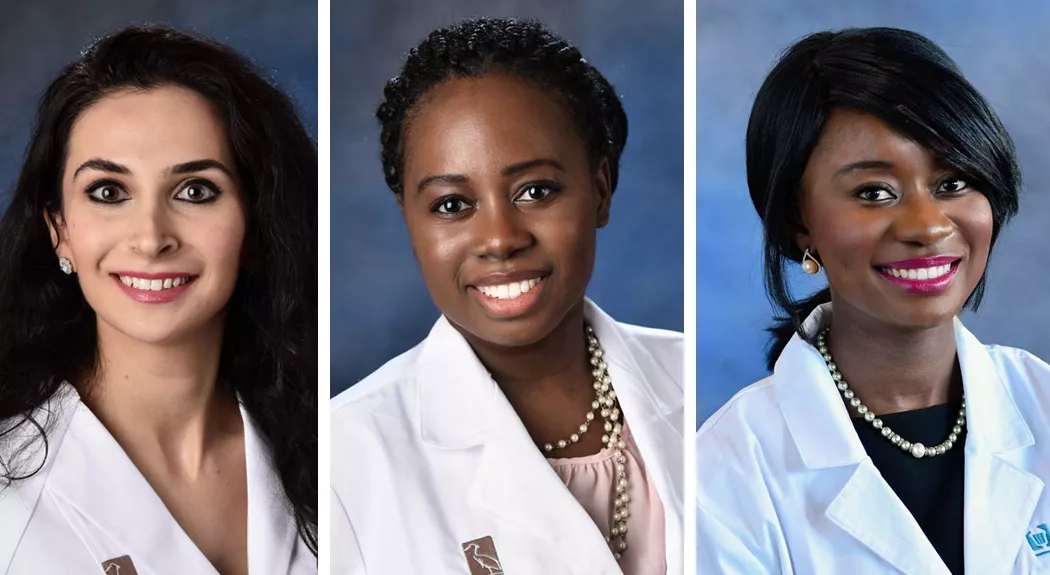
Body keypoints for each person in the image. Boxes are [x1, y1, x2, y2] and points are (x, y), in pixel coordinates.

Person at [331, 17, 683, 575]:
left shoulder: (695, 384)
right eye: (452, 205)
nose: (500, 238)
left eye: (535, 191)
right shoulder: (342, 459)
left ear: (600, 190)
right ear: (409, 221)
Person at [695, 27, 1050, 574]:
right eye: (874, 193)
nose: (928, 227)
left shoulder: (1044, 404)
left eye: (954, 182)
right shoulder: (722, 476)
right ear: (798, 221)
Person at [0, 26, 317, 574]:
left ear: (257, 228)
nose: (150, 238)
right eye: (108, 192)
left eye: (196, 191)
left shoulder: (331, 447)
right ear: (61, 230)